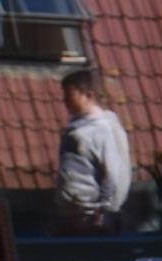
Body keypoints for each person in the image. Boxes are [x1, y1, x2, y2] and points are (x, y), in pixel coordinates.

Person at [53, 67, 134, 232]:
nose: (65, 100)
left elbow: (115, 174)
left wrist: (106, 210)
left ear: (88, 95)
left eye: (70, 94)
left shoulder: (103, 129)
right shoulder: (75, 128)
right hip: (71, 214)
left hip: (93, 218)